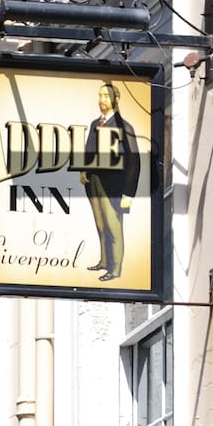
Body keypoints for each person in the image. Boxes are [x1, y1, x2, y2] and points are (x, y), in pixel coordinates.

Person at [80, 82, 142, 282]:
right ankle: (104, 261)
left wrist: (129, 194)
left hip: (114, 185)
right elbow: (88, 151)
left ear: (116, 99)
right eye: (100, 96)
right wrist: (84, 170)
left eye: (106, 96)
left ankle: (115, 269)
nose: (101, 100)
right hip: (94, 182)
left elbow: (134, 161)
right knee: (100, 224)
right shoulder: (94, 124)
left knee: (113, 226)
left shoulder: (125, 127)